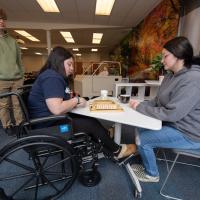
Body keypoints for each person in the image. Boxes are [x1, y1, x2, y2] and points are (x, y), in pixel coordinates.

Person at [28, 46, 135, 159]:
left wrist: (73, 99)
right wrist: (76, 100)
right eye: (69, 64)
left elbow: (61, 99)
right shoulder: (52, 78)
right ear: (58, 62)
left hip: (47, 121)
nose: (72, 68)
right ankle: (117, 151)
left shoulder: (51, 75)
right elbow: (57, 109)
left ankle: (103, 137)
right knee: (91, 124)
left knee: (88, 120)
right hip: (48, 127)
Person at [129, 36, 200, 182]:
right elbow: (157, 101)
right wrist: (140, 104)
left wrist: (140, 107)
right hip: (175, 124)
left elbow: (171, 114)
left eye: (165, 56)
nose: (162, 60)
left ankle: (152, 174)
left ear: (179, 56)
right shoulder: (169, 76)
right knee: (140, 128)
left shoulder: (193, 80)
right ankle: (146, 155)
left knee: (143, 139)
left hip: (189, 132)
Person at [0, 8, 24, 133]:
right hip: (1, 80)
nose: (2, 21)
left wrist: (22, 75)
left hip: (16, 79)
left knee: (17, 103)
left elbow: (19, 60)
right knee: (3, 105)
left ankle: (20, 125)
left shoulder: (12, 41)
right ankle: (7, 126)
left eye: (3, 19)